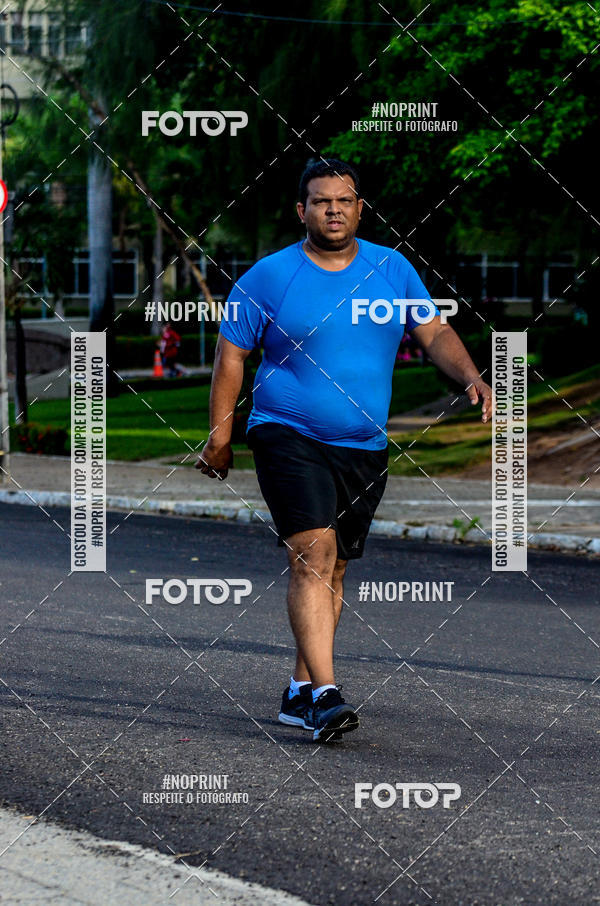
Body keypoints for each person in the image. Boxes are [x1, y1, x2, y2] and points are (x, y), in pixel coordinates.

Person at [196, 158, 492, 742]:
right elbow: (232, 357)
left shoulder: (392, 268)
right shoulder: (267, 277)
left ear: (360, 208)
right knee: (313, 553)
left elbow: (432, 331)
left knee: (335, 570)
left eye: (344, 200)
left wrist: (472, 378)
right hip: (286, 432)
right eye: (321, 200)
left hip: (363, 446)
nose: (333, 209)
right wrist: (221, 437)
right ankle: (327, 698)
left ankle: (300, 690)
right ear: (300, 210)